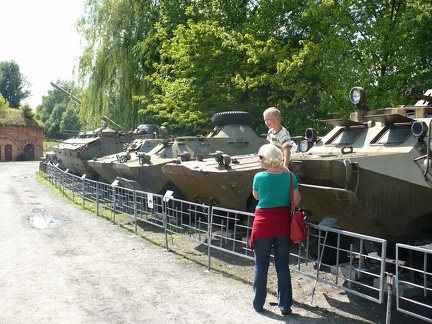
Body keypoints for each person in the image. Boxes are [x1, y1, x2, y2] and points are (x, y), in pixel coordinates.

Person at [250, 143, 301, 315]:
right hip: (283, 223)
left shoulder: (259, 177)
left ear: (269, 159)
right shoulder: (290, 177)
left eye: (261, 157)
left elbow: (256, 196)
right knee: (282, 266)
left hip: (263, 224)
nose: (259, 160)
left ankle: (258, 304)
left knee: (261, 265)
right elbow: (297, 200)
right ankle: (285, 305)